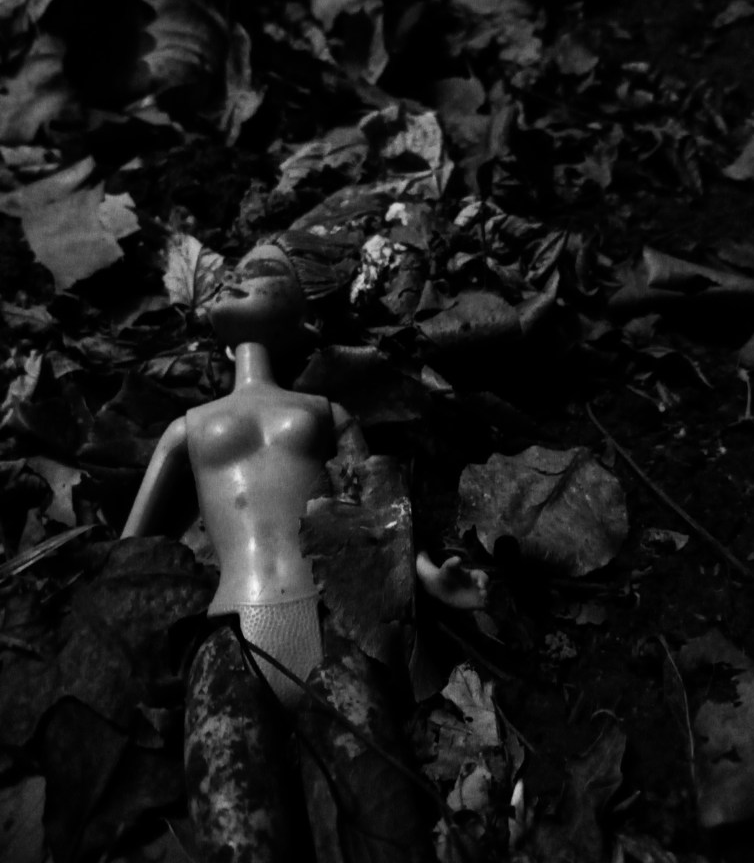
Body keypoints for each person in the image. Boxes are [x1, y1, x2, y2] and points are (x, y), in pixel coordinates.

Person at [121, 233, 487, 862]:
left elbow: (374, 504)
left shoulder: (326, 410)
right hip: (230, 635)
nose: (235, 279)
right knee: (236, 832)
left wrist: (426, 573)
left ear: (303, 317)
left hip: (331, 624)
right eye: (231, 273)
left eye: (263, 270)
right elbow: (130, 548)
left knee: (378, 821)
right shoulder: (187, 428)